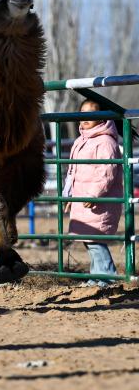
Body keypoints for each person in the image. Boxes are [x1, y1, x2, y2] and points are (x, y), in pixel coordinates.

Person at [64, 99, 124, 287]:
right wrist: (69, 193)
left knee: (95, 240)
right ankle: (97, 276)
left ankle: (108, 276)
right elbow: (73, 170)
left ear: (101, 118)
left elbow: (107, 173)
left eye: (91, 114)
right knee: (88, 240)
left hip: (98, 201)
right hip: (82, 200)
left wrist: (93, 194)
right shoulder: (81, 140)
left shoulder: (105, 142)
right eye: (83, 113)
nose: (85, 118)